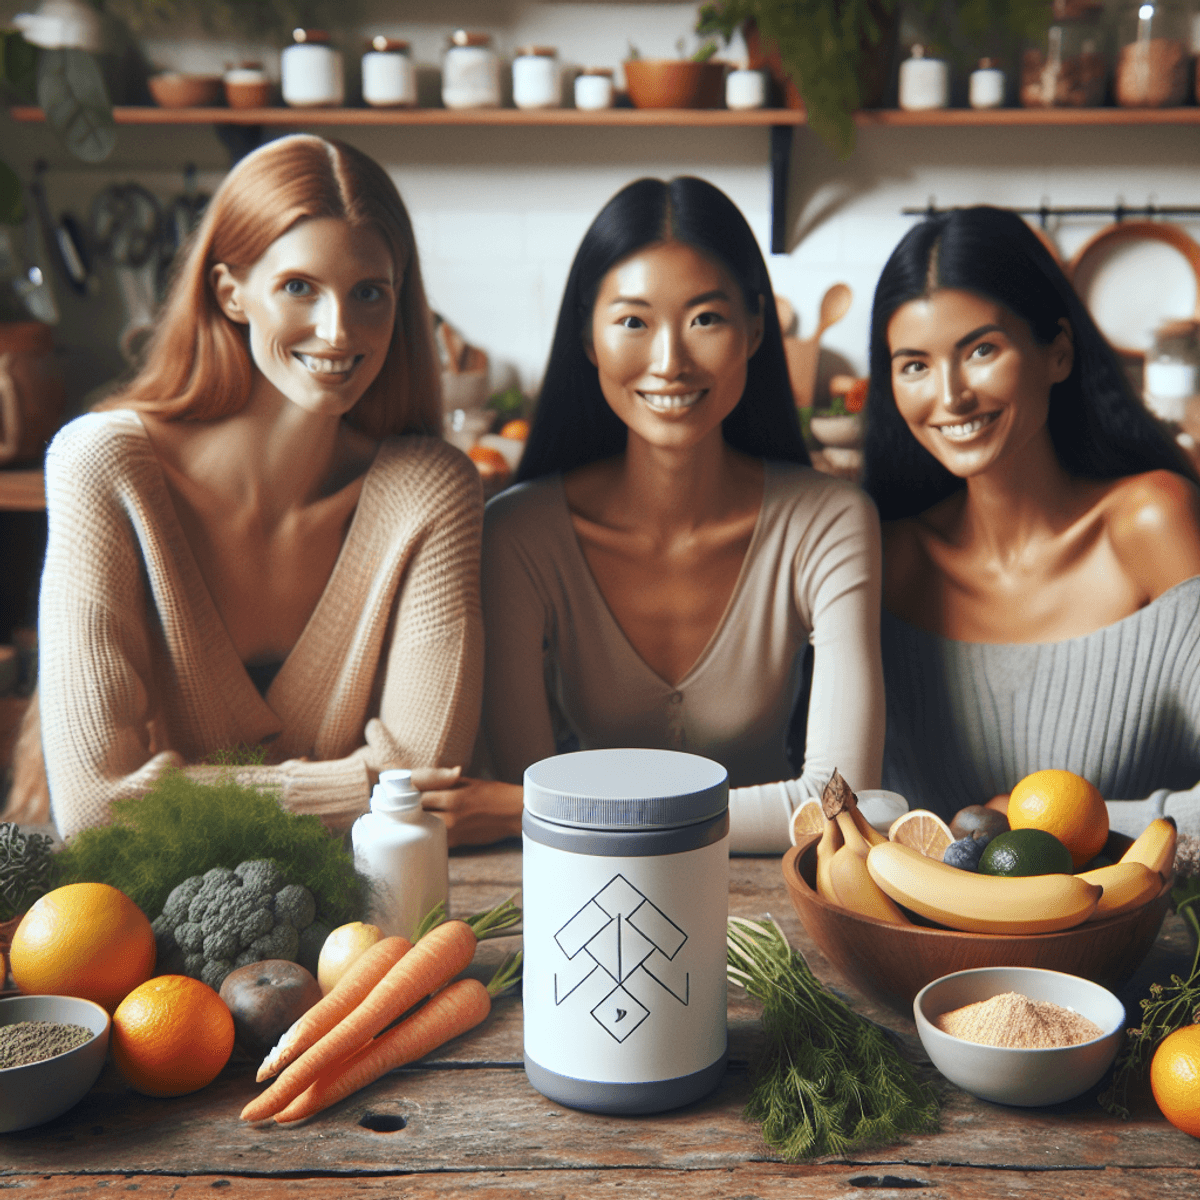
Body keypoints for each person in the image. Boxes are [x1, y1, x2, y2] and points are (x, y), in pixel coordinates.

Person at [32, 135, 483, 839]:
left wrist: (178, 796)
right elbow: (94, 811)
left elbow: (428, 791)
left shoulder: (429, 492)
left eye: (370, 293)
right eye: (299, 287)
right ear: (230, 293)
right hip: (127, 927)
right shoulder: (104, 466)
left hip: (364, 926)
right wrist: (360, 786)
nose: (338, 331)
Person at [420, 176, 885, 853]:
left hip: (773, 906)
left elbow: (841, 803)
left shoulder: (830, 521)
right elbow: (534, 812)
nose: (670, 362)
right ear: (588, 336)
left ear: (755, 328)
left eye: (706, 319)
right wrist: (536, 807)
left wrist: (547, 808)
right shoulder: (519, 534)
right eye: (634, 321)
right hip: (582, 891)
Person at [861, 204, 1200, 839]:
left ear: (1059, 353)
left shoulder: (1151, 523)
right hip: (915, 935)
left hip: (1148, 932)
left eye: (981, 350)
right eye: (915, 365)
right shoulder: (887, 558)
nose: (951, 395)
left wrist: (1027, 821)